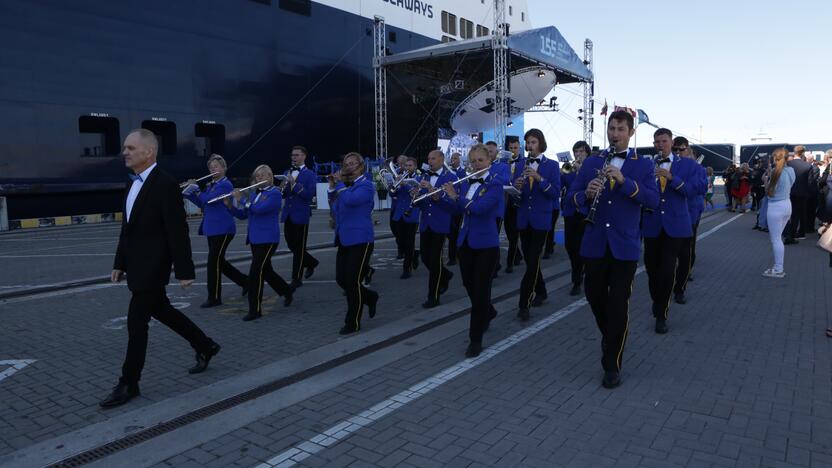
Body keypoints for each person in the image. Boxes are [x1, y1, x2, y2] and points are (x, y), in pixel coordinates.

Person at [101, 129, 220, 408]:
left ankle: (129, 382)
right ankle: (205, 345)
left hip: (153, 267)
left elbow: (177, 231)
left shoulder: (164, 184)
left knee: (136, 323)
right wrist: (119, 263)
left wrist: (185, 270)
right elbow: (126, 229)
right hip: (136, 266)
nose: (125, 152)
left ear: (148, 152)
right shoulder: (133, 184)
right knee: (163, 311)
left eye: (131, 148)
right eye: (124, 148)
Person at [567, 110, 659, 389]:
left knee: (618, 305)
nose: (615, 134)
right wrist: (586, 195)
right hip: (594, 244)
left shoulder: (642, 164)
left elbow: (652, 200)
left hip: (624, 246)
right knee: (594, 296)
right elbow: (569, 200)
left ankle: (612, 364)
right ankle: (612, 335)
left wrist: (624, 182)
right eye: (611, 128)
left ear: (631, 133)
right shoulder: (593, 161)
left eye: (620, 129)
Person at [441, 144, 502, 357]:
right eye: (473, 161)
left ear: (489, 162)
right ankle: (489, 310)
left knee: (480, 291)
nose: (476, 165)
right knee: (469, 285)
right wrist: (440, 197)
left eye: (480, 161)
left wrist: (457, 197)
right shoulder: (467, 184)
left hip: (486, 245)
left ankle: (475, 340)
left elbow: (480, 209)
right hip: (465, 242)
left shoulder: (495, 185)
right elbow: (458, 210)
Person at [642, 128, 702, 334]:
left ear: (671, 142)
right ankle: (657, 299)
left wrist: (672, 178)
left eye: (664, 141)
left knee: (667, 269)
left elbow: (693, 191)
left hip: (676, 225)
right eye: (657, 142)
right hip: (651, 223)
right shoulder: (647, 165)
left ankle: (661, 314)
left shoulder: (687, 164)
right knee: (651, 268)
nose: (660, 145)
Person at [226, 165, 295, 321]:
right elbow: (244, 215)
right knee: (266, 271)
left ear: (270, 177)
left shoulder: (275, 194)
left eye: (264, 175)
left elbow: (259, 210)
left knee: (255, 273)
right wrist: (230, 206)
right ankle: (286, 290)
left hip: (268, 240)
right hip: (255, 239)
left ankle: (254, 310)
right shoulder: (254, 194)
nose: (260, 178)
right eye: (257, 176)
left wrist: (241, 199)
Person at [182, 154, 248, 307]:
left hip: (223, 228)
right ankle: (246, 282)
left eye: (216, 166)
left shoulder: (225, 185)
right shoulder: (211, 185)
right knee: (220, 263)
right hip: (212, 228)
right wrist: (189, 193)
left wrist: (197, 190)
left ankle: (214, 297)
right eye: (211, 167)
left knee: (213, 263)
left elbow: (208, 199)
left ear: (224, 168)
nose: (213, 169)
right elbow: (203, 204)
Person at [512, 128, 560, 322]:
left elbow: (555, 193)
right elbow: (517, 193)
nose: (529, 146)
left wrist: (539, 178)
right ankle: (542, 291)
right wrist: (517, 187)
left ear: (540, 143)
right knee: (531, 259)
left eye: (533, 142)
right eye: (527, 143)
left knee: (532, 261)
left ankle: (524, 303)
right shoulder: (521, 164)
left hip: (541, 219)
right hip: (524, 218)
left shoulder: (552, 165)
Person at [329, 152, 379, 334]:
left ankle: (353, 322)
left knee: (352, 281)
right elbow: (335, 209)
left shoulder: (366, 186)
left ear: (361, 166)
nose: (348, 166)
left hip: (360, 240)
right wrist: (332, 188)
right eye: (346, 163)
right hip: (344, 239)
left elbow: (351, 200)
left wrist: (340, 185)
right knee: (342, 279)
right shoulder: (345, 187)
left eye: (352, 163)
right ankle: (370, 297)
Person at [412, 150, 458, 308]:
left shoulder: (450, 177)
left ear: (441, 159)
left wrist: (432, 190)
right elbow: (420, 202)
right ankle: (445, 275)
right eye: (428, 158)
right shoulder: (423, 176)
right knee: (425, 257)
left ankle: (433, 296)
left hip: (441, 222)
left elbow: (453, 204)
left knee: (435, 259)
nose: (430, 161)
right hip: (426, 222)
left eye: (433, 158)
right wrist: (415, 197)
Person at [672, 138, 707, 302]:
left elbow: (700, 189)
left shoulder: (697, 168)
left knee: (687, 250)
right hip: (672, 215)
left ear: (689, 151)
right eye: (675, 150)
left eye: (682, 149)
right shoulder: (669, 164)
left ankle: (681, 285)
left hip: (691, 213)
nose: (678, 153)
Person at [281, 146, 320, 288]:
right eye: (292, 155)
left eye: (297, 155)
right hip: (288, 214)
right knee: (292, 245)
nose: (294, 158)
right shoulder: (287, 172)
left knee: (299, 247)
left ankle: (296, 278)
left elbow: (309, 195)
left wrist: (294, 184)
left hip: (301, 215)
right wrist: (282, 187)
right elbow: (284, 194)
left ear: (304, 156)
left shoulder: (310, 174)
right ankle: (311, 262)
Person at [561, 140, 589, 295]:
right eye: (576, 152)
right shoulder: (569, 170)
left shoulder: (591, 170)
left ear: (587, 153)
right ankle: (579, 271)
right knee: (570, 247)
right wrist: (561, 174)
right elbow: (560, 187)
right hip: (570, 212)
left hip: (585, 213)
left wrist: (581, 172)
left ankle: (577, 281)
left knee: (581, 247)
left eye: (581, 152)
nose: (578, 155)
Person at [763, 148, 795, 278]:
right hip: (787, 204)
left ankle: (778, 268)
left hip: (775, 207)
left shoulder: (776, 173)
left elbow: (769, 192)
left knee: (776, 239)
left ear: (774, 158)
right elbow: (790, 185)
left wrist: (766, 180)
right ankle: (778, 267)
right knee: (777, 238)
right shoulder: (790, 171)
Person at [391, 157, 420, 279]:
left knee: (409, 242)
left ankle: (406, 269)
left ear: (415, 167)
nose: (407, 168)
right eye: (406, 166)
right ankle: (414, 254)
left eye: (410, 166)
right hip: (399, 214)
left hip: (411, 213)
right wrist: (394, 186)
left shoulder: (418, 178)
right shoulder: (400, 176)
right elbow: (392, 193)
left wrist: (405, 184)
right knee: (401, 241)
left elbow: (415, 193)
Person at [504, 139, 524, 272]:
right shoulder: (503, 162)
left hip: (518, 202)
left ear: (519, 148)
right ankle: (517, 255)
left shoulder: (526, 162)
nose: (513, 150)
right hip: (505, 201)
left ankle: (509, 263)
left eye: (515, 147)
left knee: (514, 233)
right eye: (511, 148)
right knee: (508, 232)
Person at [784, 147, 812, 244]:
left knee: (790, 213)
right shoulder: (808, 165)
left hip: (789, 192)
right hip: (803, 193)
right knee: (802, 213)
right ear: (803, 153)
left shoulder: (788, 164)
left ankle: (788, 233)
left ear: (795, 152)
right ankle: (801, 233)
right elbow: (810, 181)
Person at [447, 152, 465, 265]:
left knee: (455, 232)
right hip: (449, 206)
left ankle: (453, 256)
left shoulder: (463, 172)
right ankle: (455, 254)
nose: (452, 160)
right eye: (451, 158)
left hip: (458, 205)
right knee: (450, 232)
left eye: (455, 158)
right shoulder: (448, 171)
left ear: (459, 160)